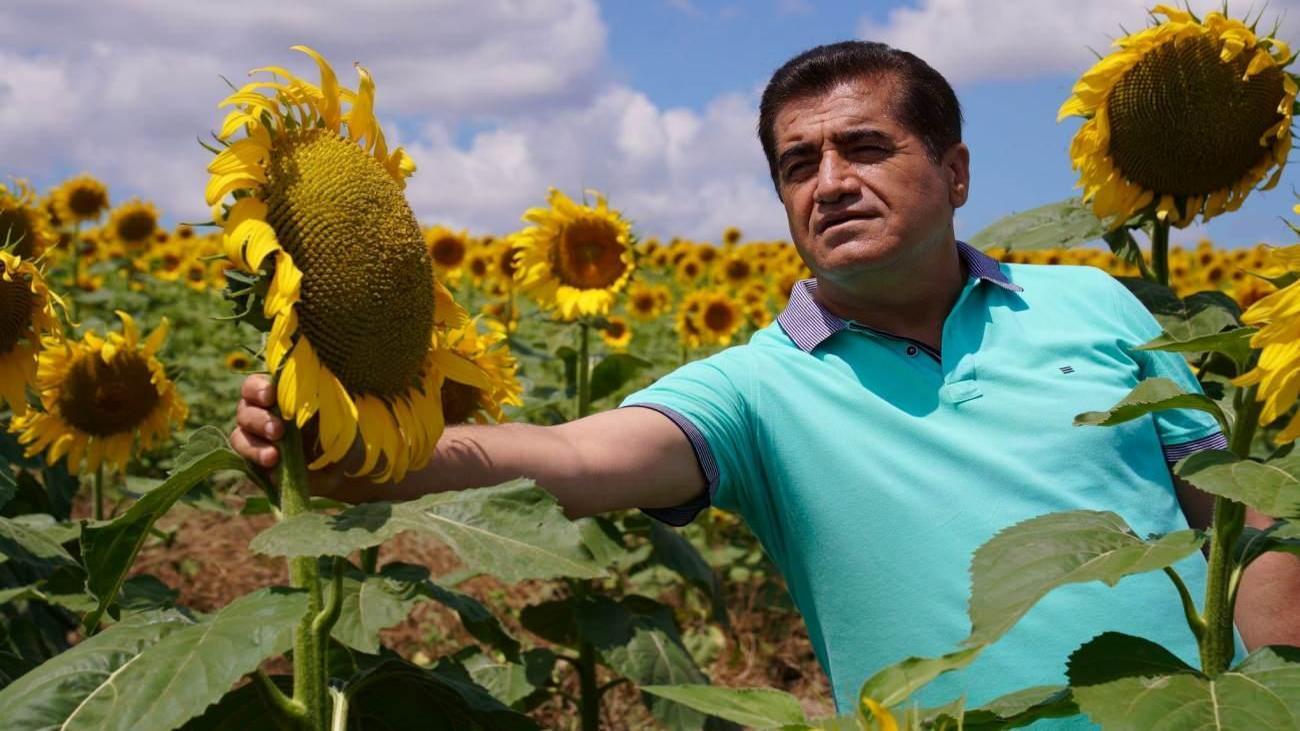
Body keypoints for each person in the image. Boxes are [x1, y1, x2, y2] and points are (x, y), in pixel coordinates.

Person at [231, 41, 1300, 719]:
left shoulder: (1099, 304)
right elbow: (568, 456)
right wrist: (374, 454)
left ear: (956, 171)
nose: (830, 180)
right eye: (798, 163)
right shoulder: (757, 388)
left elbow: (1234, 526)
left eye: (865, 147)